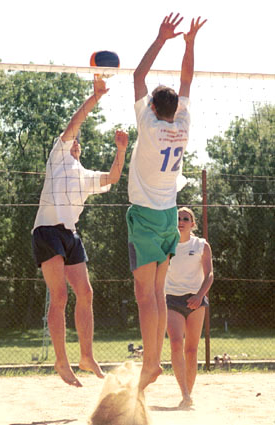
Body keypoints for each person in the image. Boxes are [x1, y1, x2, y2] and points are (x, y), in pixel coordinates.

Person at [126, 13, 207, 391]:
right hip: (167, 217)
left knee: (147, 298)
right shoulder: (182, 123)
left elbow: (138, 76)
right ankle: (152, 363)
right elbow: (186, 80)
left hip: (144, 217)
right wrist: (188, 43)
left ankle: (150, 364)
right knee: (156, 295)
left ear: (154, 109)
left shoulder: (149, 123)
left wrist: (161, 39)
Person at [32, 78, 128, 387]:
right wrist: (96, 96)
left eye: (77, 141)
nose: (74, 140)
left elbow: (113, 176)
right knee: (59, 296)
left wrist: (121, 150)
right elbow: (76, 121)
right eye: (70, 138)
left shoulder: (85, 176)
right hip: (47, 230)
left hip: (70, 236)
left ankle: (86, 356)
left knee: (85, 293)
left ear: (81, 149)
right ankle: (61, 360)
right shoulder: (57, 157)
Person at [165, 207, 214, 408]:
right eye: (178, 218)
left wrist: (199, 295)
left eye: (186, 218)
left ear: (192, 224)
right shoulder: (166, 244)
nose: (181, 221)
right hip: (172, 300)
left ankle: (188, 394)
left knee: (191, 350)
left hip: (196, 299)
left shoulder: (202, 245)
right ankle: (184, 393)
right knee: (176, 343)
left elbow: (209, 274)